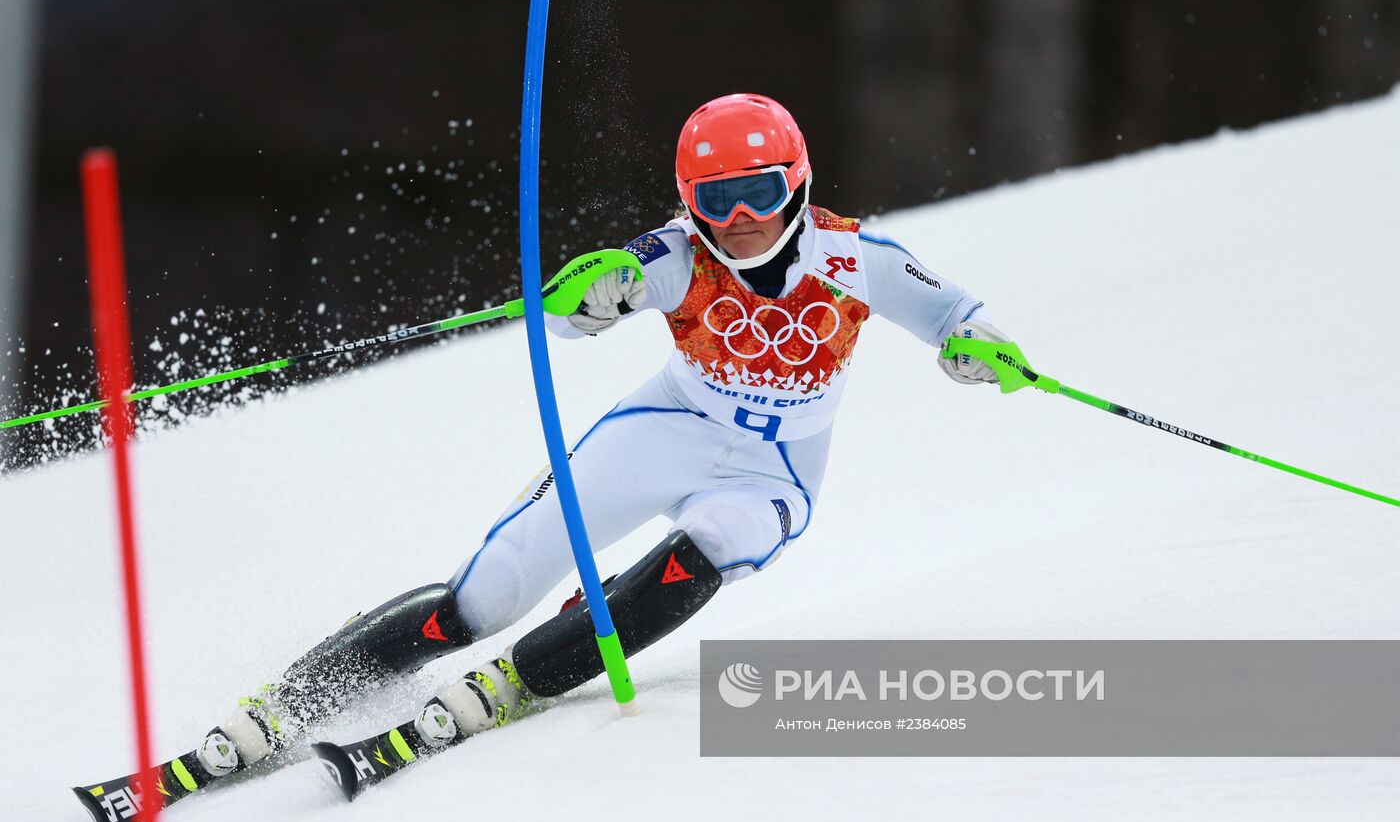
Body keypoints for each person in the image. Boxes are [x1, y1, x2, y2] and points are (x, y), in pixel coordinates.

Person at [193, 92, 1012, 778]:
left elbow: (956, 317)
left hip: (775, 468)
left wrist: (981, 349)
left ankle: (526, 675)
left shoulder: (855, 257)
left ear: (795, 184)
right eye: (713, 199)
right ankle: (288, 702)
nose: (737, 220)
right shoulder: (683, 254)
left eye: (758, 193)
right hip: (667, 429)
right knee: (485, 594)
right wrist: (590, 296)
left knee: (718, 542)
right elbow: (594, 296)